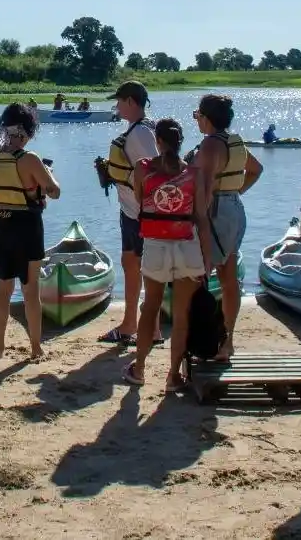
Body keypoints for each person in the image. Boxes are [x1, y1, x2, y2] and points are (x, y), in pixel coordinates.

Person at [123, 118, 213, 391]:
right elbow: (201, 218)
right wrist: (207, 259)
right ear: (179, 142)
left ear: (157, 142)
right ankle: (173, 376)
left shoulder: (143, 168)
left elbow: (140, 201)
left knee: (150, 308)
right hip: (187, 246)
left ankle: (139, 368)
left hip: (155, 245)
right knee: (182, 314)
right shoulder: (194, 174)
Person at [0, 103, 60, 360]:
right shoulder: (30, 159)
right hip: (26, 228)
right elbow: (55, 191)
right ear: (27, 132)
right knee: (30, 290)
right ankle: (36, 347)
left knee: (3, 289)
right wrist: (46, 176)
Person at [191, 93, 262, 360]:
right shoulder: (236, 141)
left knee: (202, 275)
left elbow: (206, 190)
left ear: (206, 118)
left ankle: (204, 342)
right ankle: (227, 341)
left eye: (197, 115)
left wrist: (197, 222)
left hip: (216, 212)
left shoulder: (210, 145)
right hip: (234, 209)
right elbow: (256, 169)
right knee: (229, 278)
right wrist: (236, 192)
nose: (197, 120)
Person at [96, 81, 161, 348]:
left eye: (120, 101)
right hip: (132, 211)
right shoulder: (142, 129)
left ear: (132, 102)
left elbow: (155, 171)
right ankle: (131, 323)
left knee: (144, 269)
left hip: (140, 213)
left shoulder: (140, 134)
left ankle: (149, 329)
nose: (117, 105)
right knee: (130, 263)